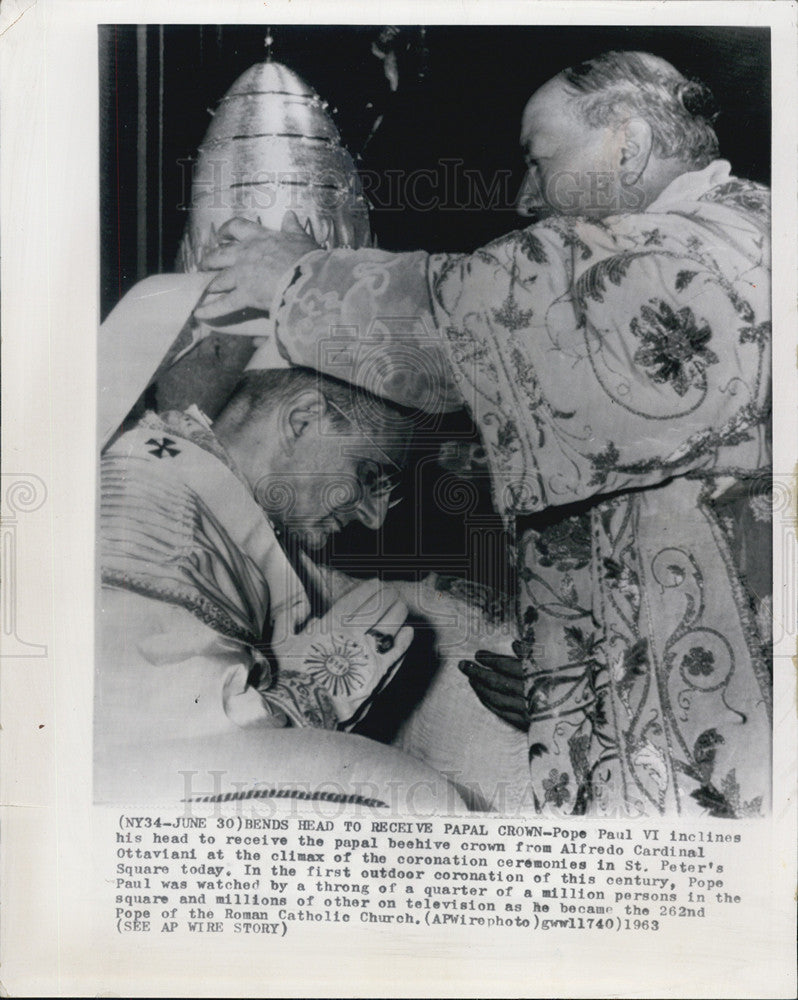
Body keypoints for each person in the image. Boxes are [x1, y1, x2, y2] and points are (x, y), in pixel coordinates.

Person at [192, 51, 773, 818]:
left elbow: (491, 315)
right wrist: (579, 677)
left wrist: (304, 277)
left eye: (541, 159)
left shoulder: (705, 248)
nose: (529, 196)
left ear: (626, 146)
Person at [95, 366, 433, 800]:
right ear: (302, 420)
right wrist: (301, 701)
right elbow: (161, 756)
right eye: (369, 476)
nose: (375, 518)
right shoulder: (162, 513)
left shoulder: (178, 484)